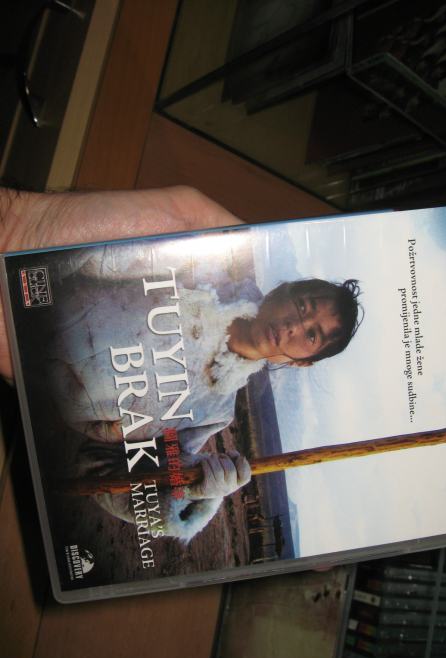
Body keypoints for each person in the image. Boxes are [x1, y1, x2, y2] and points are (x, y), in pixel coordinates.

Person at [0, 186, 362, 542]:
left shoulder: (214, 413)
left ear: (302, 363)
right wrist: (19, 260)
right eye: (303, 305)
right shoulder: (197, 265)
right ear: (284, 289)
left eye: (312, 335)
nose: (295, 326)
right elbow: (84, 252)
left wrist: (191, 492)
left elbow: (103, 470)